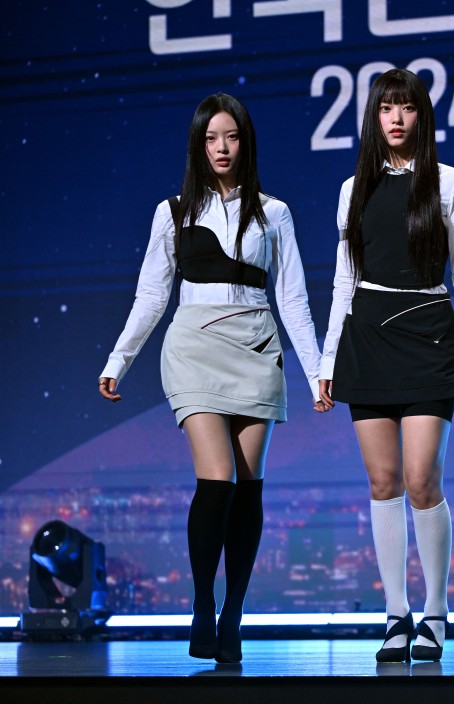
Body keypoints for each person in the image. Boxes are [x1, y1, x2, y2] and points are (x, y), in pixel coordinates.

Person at [98, 93, 325, 664]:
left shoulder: (274, 212)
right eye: (211, 138)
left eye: (232, 137)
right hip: (194, 346)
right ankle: (202, 603)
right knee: (217, 477)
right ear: (198, 145)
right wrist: (117, 360)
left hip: (257, 343)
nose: (221, 148)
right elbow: (152, 295)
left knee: (249, 487)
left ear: (245, 143)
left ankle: (233, 613)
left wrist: (317, 369)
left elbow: (293, 297)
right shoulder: (171, 212)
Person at [318, 69, 454, 664]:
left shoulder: (451, 182)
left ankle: (435, 612)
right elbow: (344, 278)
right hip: (366, 336)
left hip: (429, 334)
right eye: (386, 108)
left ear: (422, 115)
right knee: (382, 483)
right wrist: (327, 356)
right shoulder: (352, 189)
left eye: (406, 108)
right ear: (373, 116)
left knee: (420, 480)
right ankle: (395, 614)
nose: (395, 118)